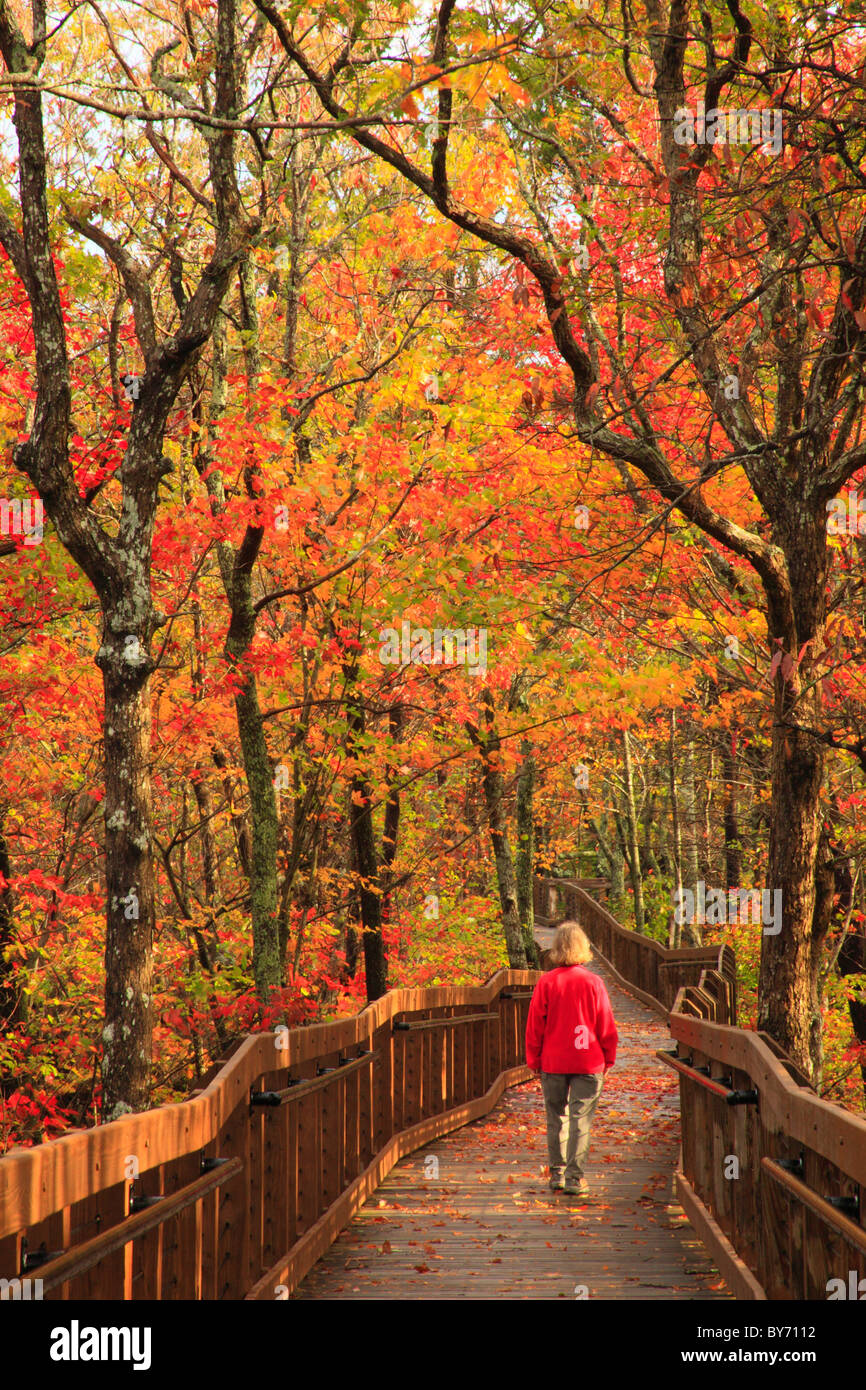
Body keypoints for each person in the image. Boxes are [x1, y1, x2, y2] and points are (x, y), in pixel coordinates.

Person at [525, 919, 618, 1196]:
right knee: (581, 1119)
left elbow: (534, 1026)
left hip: (554, 1061)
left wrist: (534, 1059)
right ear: (583, 947)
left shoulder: (547, 982)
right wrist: (609, 1058)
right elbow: (606, 1025)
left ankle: (557, 1175)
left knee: (556, 1118)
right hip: (588, 1061)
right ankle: (575, 1178)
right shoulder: (594, 982)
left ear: (556, 948)